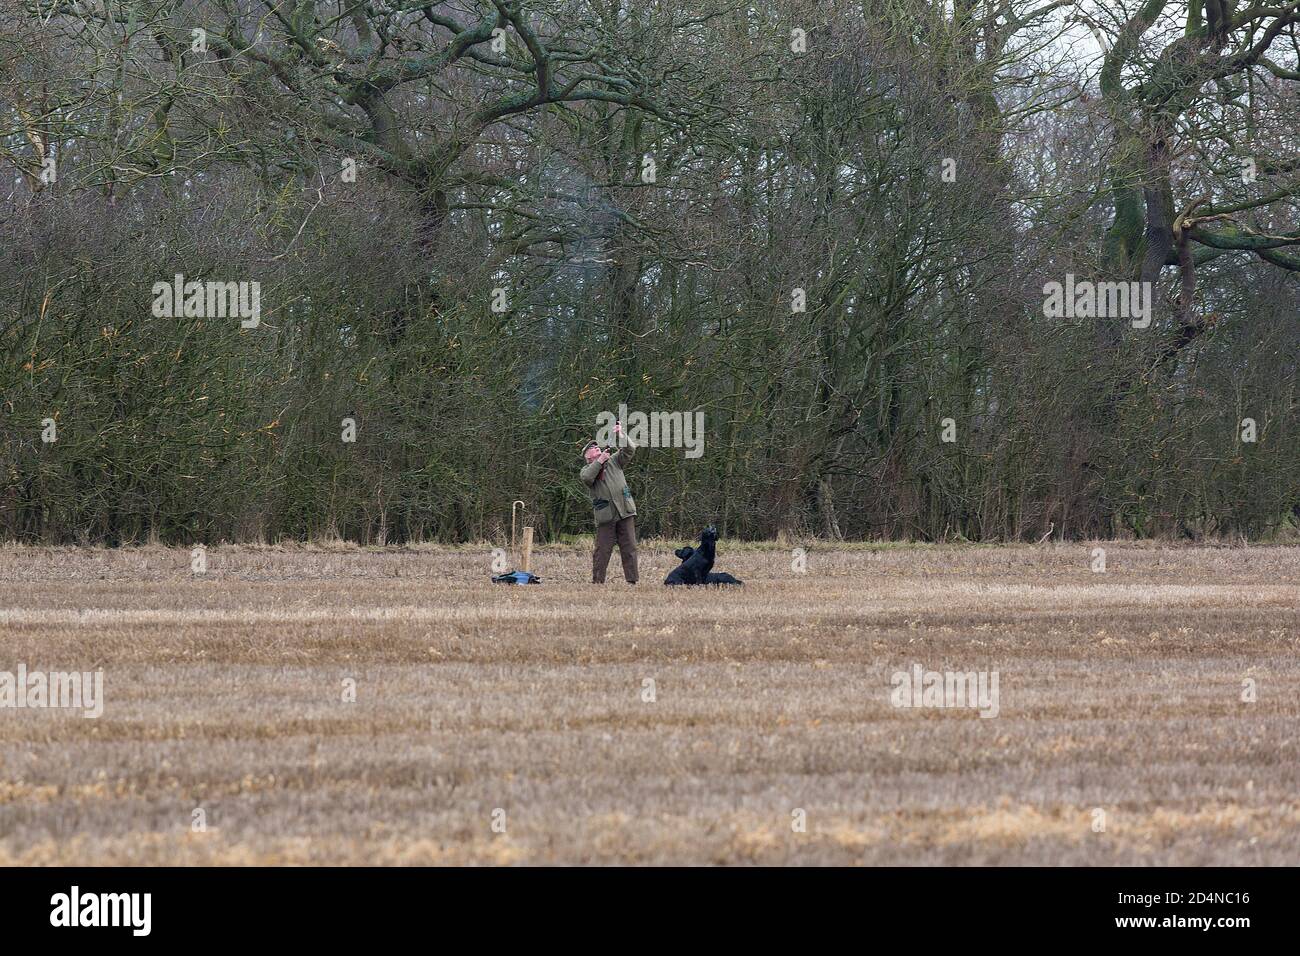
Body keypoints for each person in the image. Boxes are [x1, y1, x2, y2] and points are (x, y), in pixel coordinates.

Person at [580, 421, 638, 584]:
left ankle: (632, 581)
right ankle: (598, 582)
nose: (596, 447)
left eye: (597, 446)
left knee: (630, 548)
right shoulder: (586, 470)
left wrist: (621, 434)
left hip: (625, 511)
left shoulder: (614, 460)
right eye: (592, 448)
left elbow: (630, 450)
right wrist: (600, 461)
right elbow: (587, 478)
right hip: (606, 516)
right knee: (602, 552)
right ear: (587, 457)